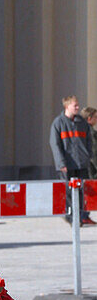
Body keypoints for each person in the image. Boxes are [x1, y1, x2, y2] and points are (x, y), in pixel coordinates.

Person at [50, 95, 94, 225]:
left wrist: (88, 156)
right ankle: (70, 217)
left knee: (81, 192)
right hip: (67, 166)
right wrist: (61, 163)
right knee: (68, 192)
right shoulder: (58, 123)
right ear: (67, 106)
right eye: (75, 105)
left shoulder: (82, 123)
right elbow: (55, 145)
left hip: (81, 164)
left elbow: (89, 141)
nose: (78, 107)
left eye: (77, 105)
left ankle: (79, 216)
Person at [80, 106, 97, 181]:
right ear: (89, 118)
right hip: (91, 169)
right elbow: (94, 152)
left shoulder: (79, 130)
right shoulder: (91, 133)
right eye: (95, 117)